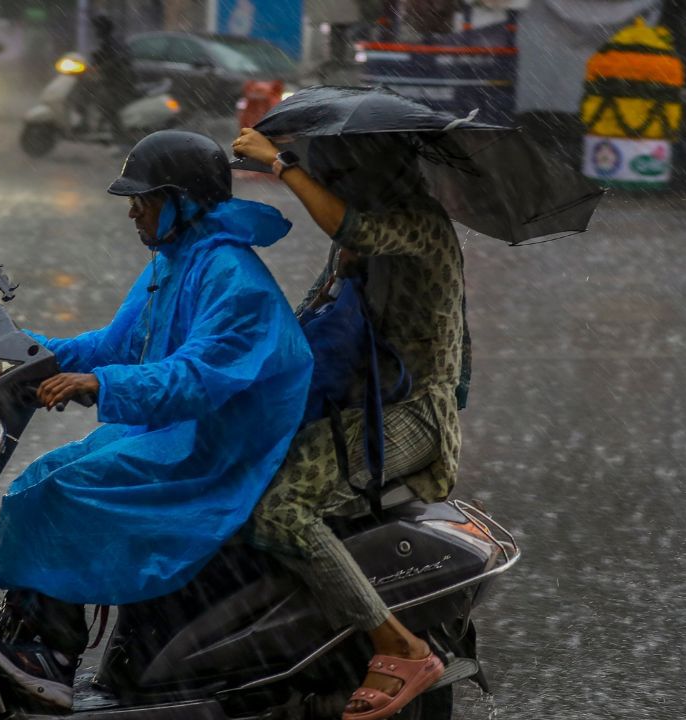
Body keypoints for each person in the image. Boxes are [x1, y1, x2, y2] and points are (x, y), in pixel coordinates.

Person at [0, 130, 313, 711]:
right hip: (174, 432)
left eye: (146, 198)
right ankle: (30, 632)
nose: (133, 209)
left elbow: (194, 378)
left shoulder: (234, 279)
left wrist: (98, 385)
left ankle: (53, 654)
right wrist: (22, 350)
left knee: (63, 493)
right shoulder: (175, 260)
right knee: (39, 478)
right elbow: (115, 344)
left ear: (183, 202)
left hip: (218, 449)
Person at [232, 127, 467, 720]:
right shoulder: (364, 236)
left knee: (281, 508)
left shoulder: (419, 225)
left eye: (342, 169)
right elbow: (310, 314)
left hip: (413, 415)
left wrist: (281, 164)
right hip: (358, 405)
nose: (335, 179)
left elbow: (353, 227)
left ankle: (400, 645)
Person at [87, 14, 137, 145]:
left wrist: (100, 68)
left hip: (121, 83)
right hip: (114, 81)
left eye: (97, 28)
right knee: (95, 94)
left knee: (108, 105)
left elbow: (116, 61)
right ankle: (103, 129)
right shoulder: (108, 41)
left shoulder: (113, 42)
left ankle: (120, 139)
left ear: (103, 29)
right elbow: (101, 56)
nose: (95, 32)